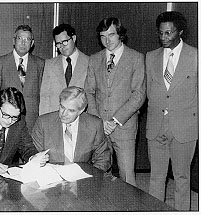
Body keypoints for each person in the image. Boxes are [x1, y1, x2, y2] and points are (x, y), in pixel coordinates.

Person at [84, 17, 146, 186]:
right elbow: (88, 92)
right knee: (100, 175)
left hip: (124, 127)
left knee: (127, 176)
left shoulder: (136, 58)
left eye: (111, 35)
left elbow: (139, 94)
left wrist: (115, 120)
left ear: (120, 35)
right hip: (100, 127)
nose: (107, 40)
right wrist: (100, 121)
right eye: (103, 36)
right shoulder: (94, 59)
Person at [146, 11, 197, 211]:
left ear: (180, 32)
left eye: (169, 33)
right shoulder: (150, 57)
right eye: (161, 33)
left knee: (182, 177)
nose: (164, 38)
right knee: (156, 177)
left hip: (184, 127)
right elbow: (149, 91)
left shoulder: (195, 56)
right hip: (156, 126)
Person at [32, 86, 111, 172]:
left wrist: (89, 177)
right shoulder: (43, 123)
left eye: (71, 110)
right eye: (62, 107)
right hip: (50, 177)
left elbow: (103, 158)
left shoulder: (94, 125)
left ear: (81, 110)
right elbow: (33, 155)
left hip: (83, 178)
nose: (64, 114)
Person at [0, 25, 45, 132]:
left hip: (32, 120)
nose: (23, 43)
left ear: (32, 43)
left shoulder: (40, 64)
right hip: (8, 119)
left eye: (27, 39)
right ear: (14, 41)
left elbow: (43, 92)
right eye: (20, 38)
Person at [39, 24, 89, 115]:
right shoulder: (49, 64)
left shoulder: (89, 63)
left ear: (73, 38)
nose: (62, 46)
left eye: (65, 41)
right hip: (55, 119)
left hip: (80, 119)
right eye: (58, 43)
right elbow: (44, 97)